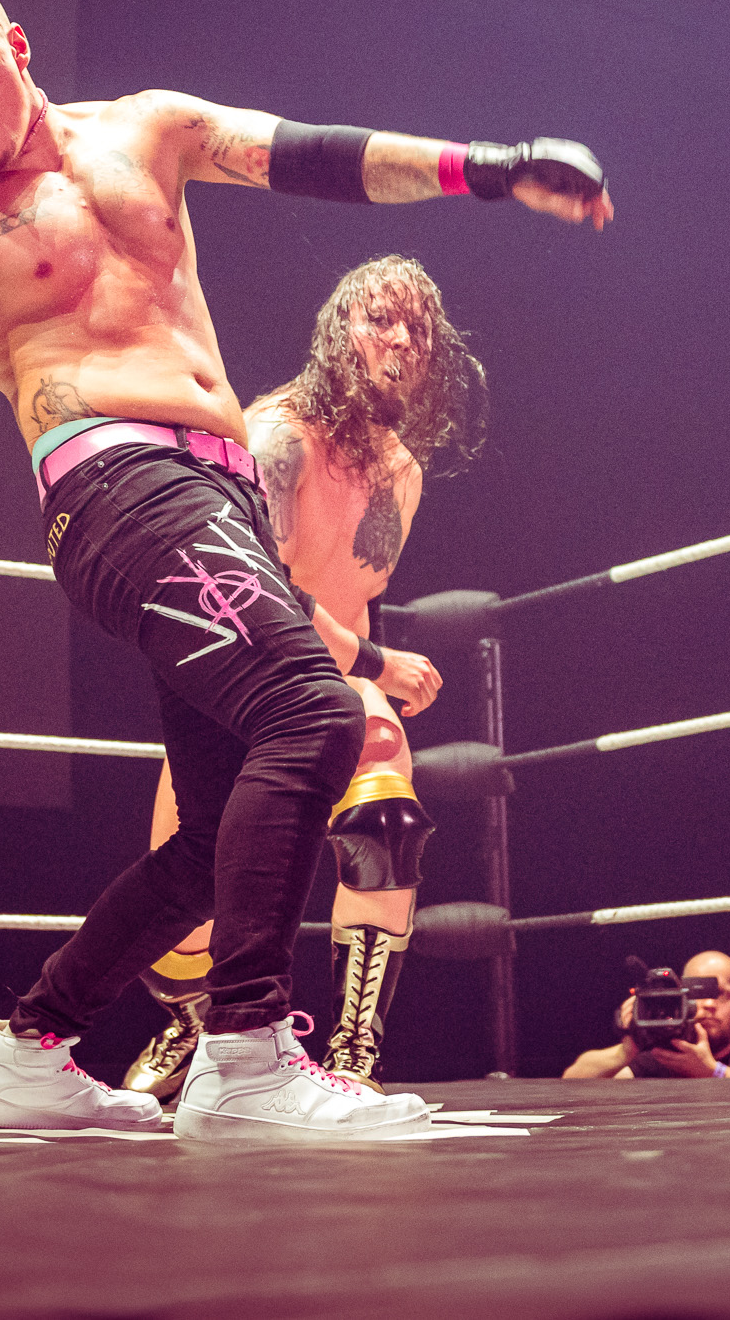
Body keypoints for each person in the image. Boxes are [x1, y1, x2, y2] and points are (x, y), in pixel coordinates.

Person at [0, 0, 609, 1143]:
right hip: (118, 486)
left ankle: (27, 1047)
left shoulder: (149, 129)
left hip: (209, 495)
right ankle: (247, 1059)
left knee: (216, 835)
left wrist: (487, 165)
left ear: (13, 45)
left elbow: (311, 154)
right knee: (316, 716)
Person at [123, 255, 481, 1098]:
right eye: (380, 319)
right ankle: (193, 1024)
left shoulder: (404, 473)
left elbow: (353, 595)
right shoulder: (278, 437)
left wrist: (369, 675)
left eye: (417, 328)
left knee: (387, 811)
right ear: (337, 332)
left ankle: (355, 1051)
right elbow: (253, 592)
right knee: (185, 900)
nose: (400, 340)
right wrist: (376, 664)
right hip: (237, 682)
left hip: (330, 683)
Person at [562, 951, 730, 1078]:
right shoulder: (664, 1054)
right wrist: (628, 1050)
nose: (709, 1004)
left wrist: (713, 1071)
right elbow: (573, 1083)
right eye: (698, 992)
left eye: (721, 994)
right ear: (681, 998)